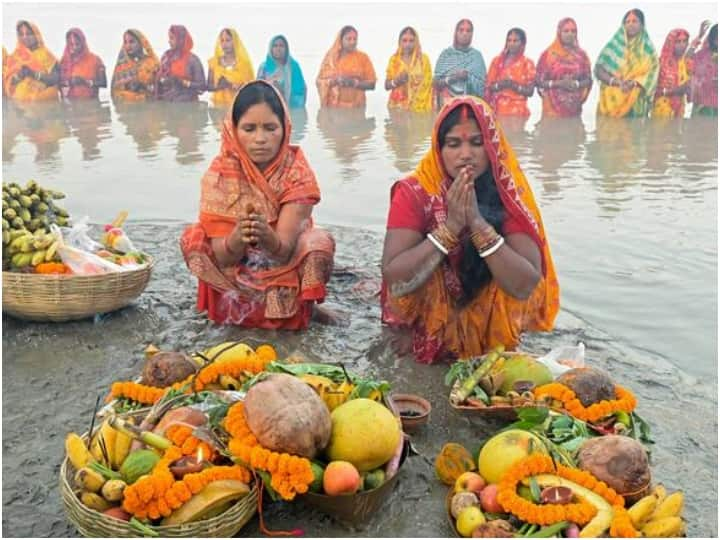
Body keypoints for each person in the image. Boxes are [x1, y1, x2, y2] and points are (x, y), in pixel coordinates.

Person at [381, 96, 559, 363]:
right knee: (431, 263)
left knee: (504, 263)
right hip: (426, 309)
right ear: (438, 148)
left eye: (477, 143)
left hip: (483, 307)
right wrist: (450, 228)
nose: (466, 154)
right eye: (454, 144)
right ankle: (421, 334)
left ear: (492, 147)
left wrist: (477, 223)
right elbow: (395, 279)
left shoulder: (508, 193)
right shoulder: (416, 191)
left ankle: (486, 338)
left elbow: (526, 285)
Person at [180, 80, 335, 329]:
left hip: (280, 266)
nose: (260, 139)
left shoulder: (296, 171)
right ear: (233, 130)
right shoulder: (220, 172)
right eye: (249, 128)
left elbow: (284, 250)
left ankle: (303, 309)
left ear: (285, 129)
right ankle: (223, 311)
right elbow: (221, 256)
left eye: (270, 128)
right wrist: (237, 238)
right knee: (193, 238)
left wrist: (265, 236)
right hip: (234, 270)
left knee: (318, 243)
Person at [595, 8, 658, 118]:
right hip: (610, 100)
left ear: (642, 25)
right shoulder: (614, 46)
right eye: (627, 22)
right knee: (608, 132)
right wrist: (616, 82)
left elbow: (653, 73)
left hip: (635, 101)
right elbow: (599, 69)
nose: (631, 24)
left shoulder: (648, 50)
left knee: (633, 133)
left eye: (635, 21)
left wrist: (634, 83)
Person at [535, 18, 593, 118]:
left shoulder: (582, 55)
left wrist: (576, 84)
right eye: (566, 31)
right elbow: (538, 81)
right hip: (551, 111)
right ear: (559, 33)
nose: (570, 34)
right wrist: (559, 83)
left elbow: (588, 79)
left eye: (573, 31)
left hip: (575, 110)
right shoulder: (548, 55)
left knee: (575, 132)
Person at [316, 25, 376, 108]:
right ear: (341, 40)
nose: (352, 42)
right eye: (349, 39)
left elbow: (372, 85)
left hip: (356, 108)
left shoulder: (363, 58)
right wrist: (334, 81)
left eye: (355, 39)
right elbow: (319, 81)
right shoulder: (330, 58)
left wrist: (353, 83)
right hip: (333, 109)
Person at [433, 19, 487, 109]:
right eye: (461, 30)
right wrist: (452, 78)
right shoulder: (446, 54)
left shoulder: (477, 56)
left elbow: (482, 87)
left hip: (470, 108)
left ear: (472, 34)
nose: (465, 33)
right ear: (456, 33)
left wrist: (468, 77)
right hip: (447, 107)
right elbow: (435, 83)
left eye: (468, 31)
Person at [485, 28, 536, 117]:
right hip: (497, 110)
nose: (511, 43)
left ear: (522, 43)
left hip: (518, 113)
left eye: (515, 41)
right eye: (509, 40)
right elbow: (489, 86)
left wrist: (513, 86)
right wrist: (500, 85)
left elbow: (530, 91)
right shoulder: (497, 61)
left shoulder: (527, 63)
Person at [3, 21, 59, 102]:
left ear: (37, 35)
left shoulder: (46, 55)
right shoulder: (14, 56)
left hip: (44, 104)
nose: (25, 37)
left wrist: (33, 74)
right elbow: (8, 83)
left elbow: (55, 79)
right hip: (19, 106)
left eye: (29, 34)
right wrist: (19, 76)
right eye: (21, 34)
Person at [384, 26, 432, 112]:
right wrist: (396, 81)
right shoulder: (394, 60)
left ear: (416, 42)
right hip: (398, 108)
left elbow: (429, 85)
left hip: (420, 108)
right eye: (404, 40)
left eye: (411, 41)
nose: (407, 44)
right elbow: (386, 85)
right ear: (400, 42)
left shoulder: (423, 60)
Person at [156, 25, 206, 101]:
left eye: (172, 38)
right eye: (169, 38)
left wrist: (183, 82)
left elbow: (202, 86)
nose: (169, 41)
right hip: (167, 104)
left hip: (187, 106)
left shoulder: (193, 60)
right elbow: (160, 80)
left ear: (181, 39)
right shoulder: (166, 57)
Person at [207, 28, 254, 107]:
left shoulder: (244, 64)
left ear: (235, 42)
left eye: (228, 40)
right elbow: (209, 86)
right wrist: (220, 86)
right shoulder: (214, 62)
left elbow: (251, 88)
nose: (224, 44)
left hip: (238, 108)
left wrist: (230, 85)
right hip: (218, 109)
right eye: (222, 40)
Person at [257, 35, 307, 109]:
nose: (278, 49)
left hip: (292, 108)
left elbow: (302, 89)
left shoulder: (294, 66)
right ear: (271, 48)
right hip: (270, 109)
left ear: (286, 49)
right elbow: (257, 90)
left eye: (281, 46)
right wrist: (272, 87)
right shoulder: (264, 67)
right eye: (275, 46)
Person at [652, 29, 693, 118]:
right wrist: (671, 91)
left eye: (685, 41)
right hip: (662, 109)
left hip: (679, 109)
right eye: (678, 42)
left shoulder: (685, 63)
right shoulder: (660, 62)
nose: (682, 45)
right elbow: (652, 89)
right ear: (670, 43)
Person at [111, 29, 160, 102]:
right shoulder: (122, 66)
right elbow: (114, 91)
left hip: (149, 107)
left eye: (132, 42)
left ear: (141, 43)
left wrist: (139, 82)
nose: (128, 46)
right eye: (125, 42)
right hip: (127, 109)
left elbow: (159, 88)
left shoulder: (152, 62)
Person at [59, 28, 106, 100]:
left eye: (77, 44)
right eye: (71, 44)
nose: (74, 47)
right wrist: (67, 83)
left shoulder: (95, 60)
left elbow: (103, 83)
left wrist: (85, 82)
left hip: (91, 105)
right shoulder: (64, 62)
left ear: (83, 43)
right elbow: (59, 84)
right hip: (70, 107)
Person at [689, 23, 717, 117]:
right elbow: (686, 60)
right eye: (717, 37)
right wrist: (699, 37)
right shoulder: (703, 55)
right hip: (702, 104)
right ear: (712, 38)